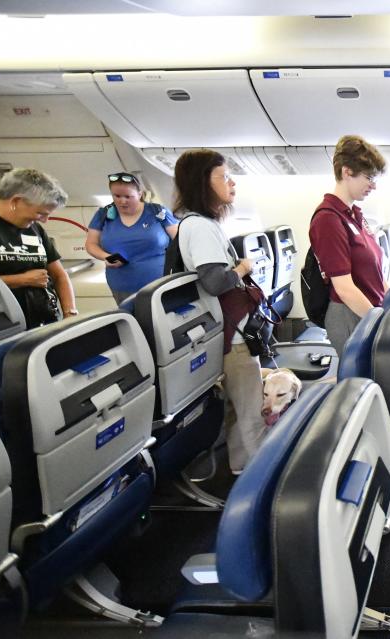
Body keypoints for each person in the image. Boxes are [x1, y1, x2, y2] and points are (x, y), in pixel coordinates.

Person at [172, 149, 261, 475]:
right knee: (252, 412)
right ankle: (263, 484)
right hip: (232, 338)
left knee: (240, 412)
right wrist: (241, 268)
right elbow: (214, 282)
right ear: (202, 183)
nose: (231, 182)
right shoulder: (201, 228)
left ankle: (240, 468)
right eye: (223, 177)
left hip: (230, 332)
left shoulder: (199, 225)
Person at [308, 134, 388, 355]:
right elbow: (344, 288)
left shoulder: (355, 215)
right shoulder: (328, 218)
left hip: (367, 312)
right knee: (361, 385)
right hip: (349, 316)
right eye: (369, 177)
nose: (373, 185)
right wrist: (381, 323)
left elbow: (374, 273)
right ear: (346, 172)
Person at [0, 168, 77, 328]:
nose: (45, 220)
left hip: (42, 321)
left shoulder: (33, 227)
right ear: (16, 201)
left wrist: (70, 314)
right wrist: (20, 280)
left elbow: (59, 275)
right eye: (41, 213)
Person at [85, 172, 179, 304]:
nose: (122, 201)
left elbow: (179, 241)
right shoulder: (103, 214)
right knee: (133, 322)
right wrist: (106, 257)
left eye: (128, 196)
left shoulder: (158, 212)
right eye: (116, 196)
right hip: (122, 287)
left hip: (160, 284)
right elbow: (91, 244)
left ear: (140, 194)